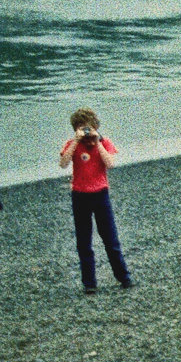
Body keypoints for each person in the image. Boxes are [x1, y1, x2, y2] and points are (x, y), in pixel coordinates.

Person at [59, 108, 130, 293]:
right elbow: (63, 163)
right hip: (80, 196)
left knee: (110, 240)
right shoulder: (72, 144)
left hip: (100, 195)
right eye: (82, 129)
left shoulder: (104, 143)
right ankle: (89, 283)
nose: (87, 133)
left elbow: (111, 163)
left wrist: (97, 142)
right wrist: (76, 140)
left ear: (96, 127)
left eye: (89, 128)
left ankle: (124, 277)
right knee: (84, 242)